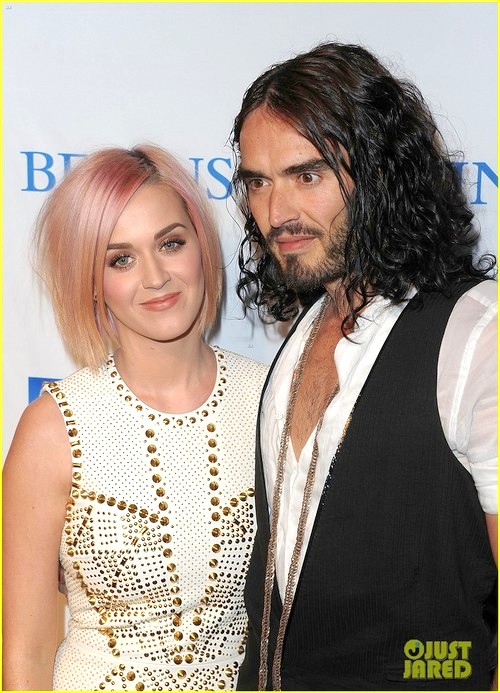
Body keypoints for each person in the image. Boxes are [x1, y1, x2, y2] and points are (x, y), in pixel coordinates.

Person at [230, 42, 497, 690]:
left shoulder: (475, 335)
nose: (277, 213)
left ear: (379, 172)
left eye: (307, 175)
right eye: (258, 182)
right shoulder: (302, 335)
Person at [3, 145, 268, 691]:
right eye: (120, 259)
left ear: (201, 245)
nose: (155, 277)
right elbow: (25, 654)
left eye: (170, 243)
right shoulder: (53, 428)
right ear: (90, 279)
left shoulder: (274, 397)